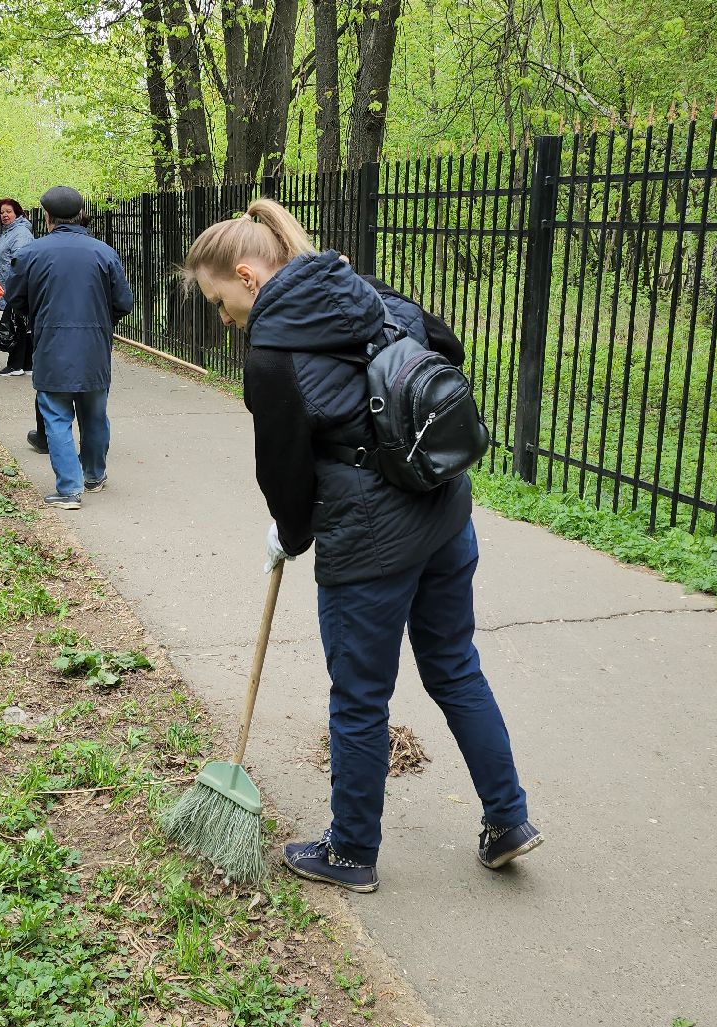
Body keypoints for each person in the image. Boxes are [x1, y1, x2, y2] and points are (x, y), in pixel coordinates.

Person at [183, 198, 541, 893]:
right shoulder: (361, 288)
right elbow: (448, 348)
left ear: (250, 275)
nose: (222, 320)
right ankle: (509, 820)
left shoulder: (272, 357)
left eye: (220, 301)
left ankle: (350, 852)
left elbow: (281, 470)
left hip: (371, 541)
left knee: (359, 698)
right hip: (442, 510)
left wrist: (289, 534)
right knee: (454, 666)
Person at [3, 186, 133, 509]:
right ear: (79, 216)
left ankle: (69, 489)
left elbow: (14, 298)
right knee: (95, 415)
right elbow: (124, 303)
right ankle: (93, 475)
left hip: (51, 348)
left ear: (47, 217)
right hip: (94, 350)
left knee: (57, 416)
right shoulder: (104, 252)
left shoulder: (32, 253)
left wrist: (38, 313)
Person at [0, 197, 36, 381]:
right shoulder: (10, 231)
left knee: (16, 325)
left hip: (17, 286)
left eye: (8, 211)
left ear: (17, 213)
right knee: (22, 324)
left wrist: (17, 288)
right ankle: (26, 364)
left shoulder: (21, 233)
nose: (4, 215)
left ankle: (15, 365)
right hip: (11, 285)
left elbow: (21, 260)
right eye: (2, 213)